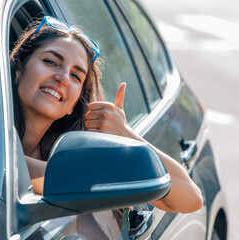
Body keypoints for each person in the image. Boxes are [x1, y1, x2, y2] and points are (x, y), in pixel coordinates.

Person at [10, 16, 203, 216]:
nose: (63, 78)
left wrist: (126, 135)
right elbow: (14, 167)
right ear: (18, 68)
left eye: (76, 76)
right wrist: (105, 179)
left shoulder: (71, 153)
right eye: (51, 61)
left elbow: (191, 199)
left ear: (73, 104)